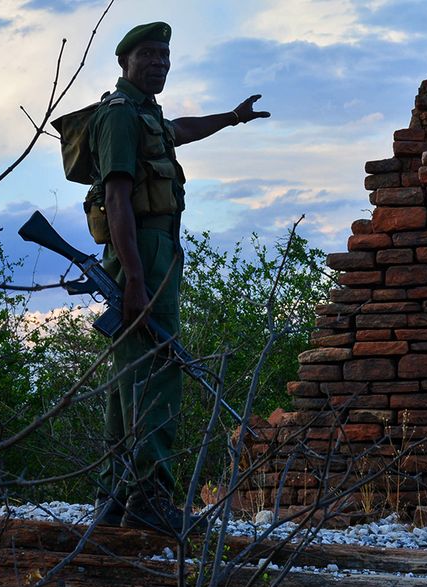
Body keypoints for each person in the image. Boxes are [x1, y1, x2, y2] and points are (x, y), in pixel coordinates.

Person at [89, 21, 269, 532]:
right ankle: (149, 499)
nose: (158, 63)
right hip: (141, 250)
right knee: (159, 370)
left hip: (155, 249)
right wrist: (135, 280)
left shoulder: (147, 115)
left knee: (130, 374)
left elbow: (182, 130)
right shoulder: (121, 117)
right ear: (125, 62)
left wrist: (232, 118)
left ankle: (116, 498)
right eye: (147, 54)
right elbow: (118, 199)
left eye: (164, 55)